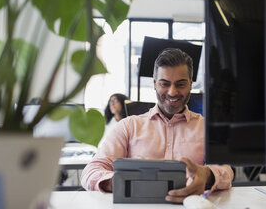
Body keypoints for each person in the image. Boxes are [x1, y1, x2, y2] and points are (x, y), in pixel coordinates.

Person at [81, 48, 234, 203]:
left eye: (181, 84)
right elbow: (91, 172)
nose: (172, 92)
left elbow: (226, 171)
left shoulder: (207, 128)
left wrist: (207, 175)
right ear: (154, 83)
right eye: (164, 84)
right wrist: (124, 182)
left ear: (190, 84)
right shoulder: (128, 126)